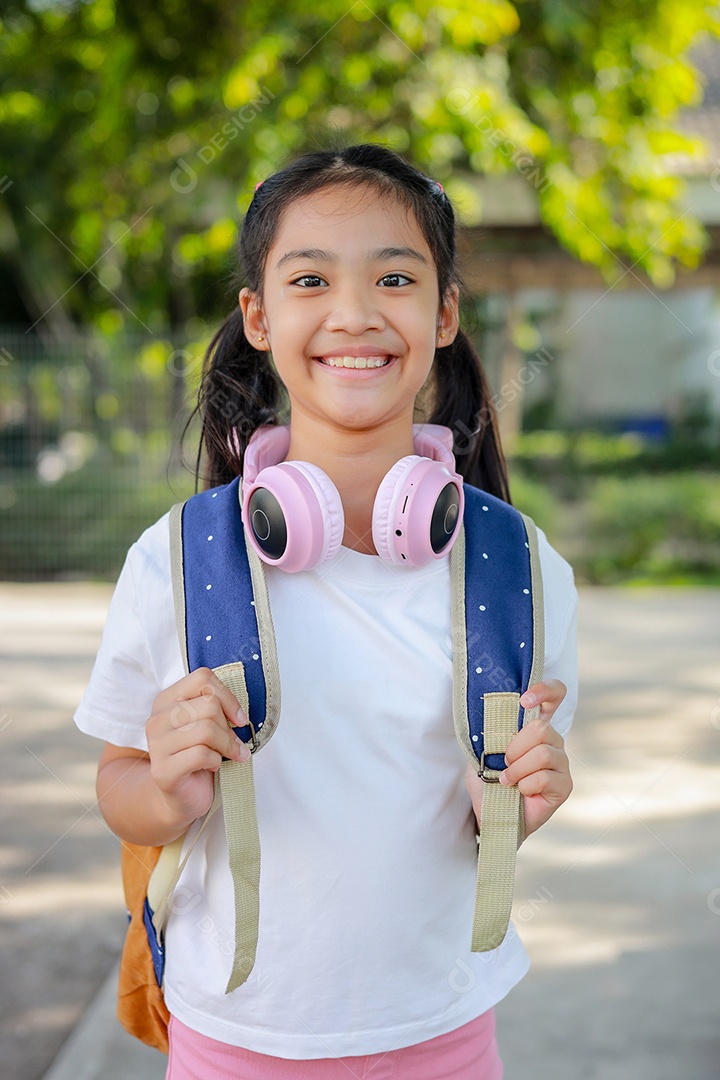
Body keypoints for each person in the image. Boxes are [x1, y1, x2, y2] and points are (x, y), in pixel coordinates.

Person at [75, 143, 578, 1080]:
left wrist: (514, 803)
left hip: (443, 1033)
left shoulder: (518, 568)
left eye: (395, 276)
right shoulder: (181, 561)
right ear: (259, 318)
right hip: (234, 1040)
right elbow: (122, 789)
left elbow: (488, 817)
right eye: (311, 278)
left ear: (444, 313)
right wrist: (167, 790)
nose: (354, 313)